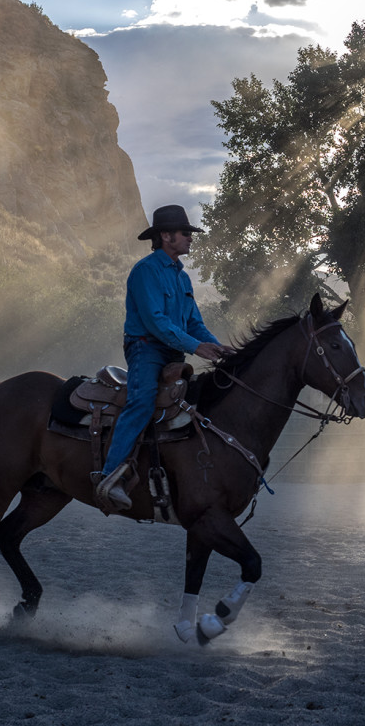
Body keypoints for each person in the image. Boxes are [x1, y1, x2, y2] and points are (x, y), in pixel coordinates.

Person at [92, 204, 232, 511]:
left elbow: (194, 323)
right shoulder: (145, 271)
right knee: (142, 401)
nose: (190, 239)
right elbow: (155, 321)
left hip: (173, 350)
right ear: (166, 236)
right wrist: (196, 348)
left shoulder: (182, 278)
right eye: (185, 234)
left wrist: (219, 348)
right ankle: (110, 476)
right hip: (146, 348)